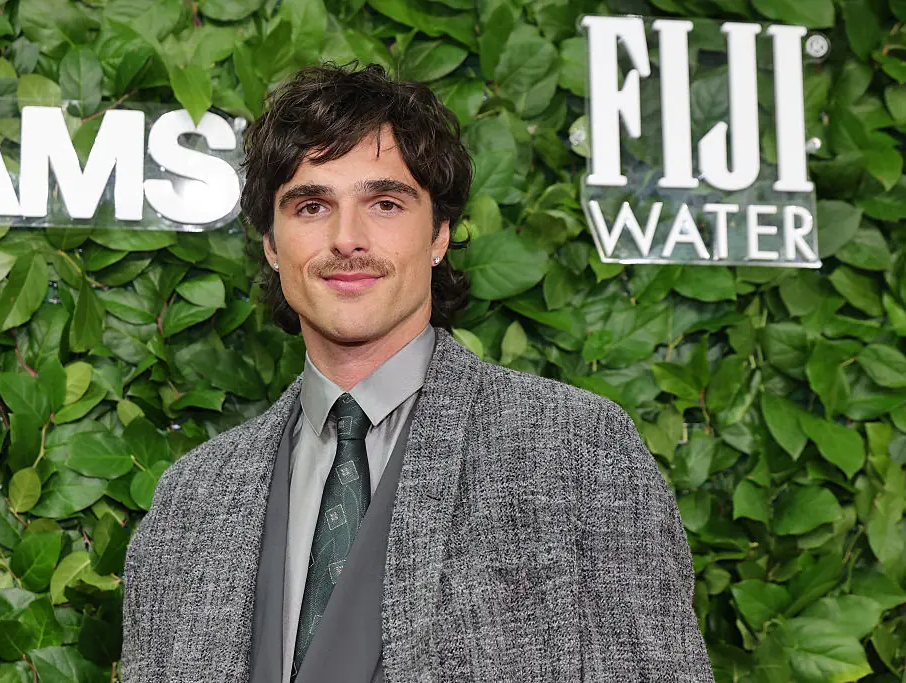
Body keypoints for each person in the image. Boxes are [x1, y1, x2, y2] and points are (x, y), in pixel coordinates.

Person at [121, 62, 714, 683]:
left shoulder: (579, 453)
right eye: (312, 205)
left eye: (384, 203)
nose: (347, 238)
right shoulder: (190, 502)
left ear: (439, 235)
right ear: (272, 244)